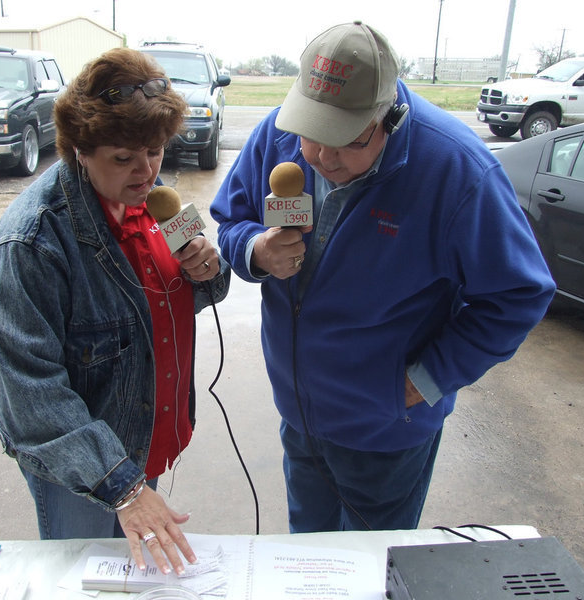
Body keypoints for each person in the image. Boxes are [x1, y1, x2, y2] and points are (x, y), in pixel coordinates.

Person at [210, 21, 555, 533]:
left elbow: (518, 294)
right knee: (310, 561)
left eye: (347, 140)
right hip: (299, 413)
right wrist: (255, 250)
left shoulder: (456, 171)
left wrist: (425, 381)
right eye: (312, 134)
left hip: (386, 432)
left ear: (388, 117)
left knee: (372, 570)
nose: (323, 158)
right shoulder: (277, 133)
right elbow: (231, 219)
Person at [0, 47, 230, 575]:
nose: (146, 173)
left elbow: (172, 299)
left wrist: (206, 271)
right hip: (86, 469)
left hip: (147, 437)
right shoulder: (28, 245)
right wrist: (124, 487)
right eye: (124, 158)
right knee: (81, 580)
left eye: (157, 151)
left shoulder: (154, 198)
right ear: (78, 151)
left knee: (134, 576)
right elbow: (31, 396)